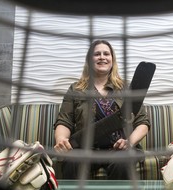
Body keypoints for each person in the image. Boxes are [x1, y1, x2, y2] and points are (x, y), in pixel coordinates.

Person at [53, 39, 150, 180]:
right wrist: (61, 140)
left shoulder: (126, 88)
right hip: (84, 149)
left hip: (119, 150)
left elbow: (142, 122)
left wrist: (129, 142)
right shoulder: (76, 89)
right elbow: (64, 120)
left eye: (106, 54)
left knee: (122, 163)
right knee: (72, 162)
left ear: (112, 60)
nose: (102, 57)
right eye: (97, 54)